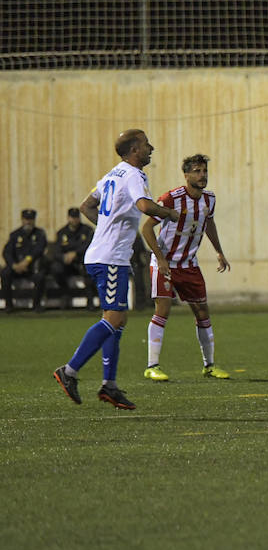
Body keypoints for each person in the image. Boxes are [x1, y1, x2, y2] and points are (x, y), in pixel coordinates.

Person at [53, 130, 184, 410]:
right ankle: (70, 371)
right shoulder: (134, 175)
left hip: (107, 255)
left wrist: (105, 228)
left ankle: (109, 386)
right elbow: (145, 205)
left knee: (117, 321)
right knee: (114, 318)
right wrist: (169, 213)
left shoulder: (112, 174)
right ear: (135, 149)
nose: (152, 148)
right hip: (110, 257)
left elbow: (87, 206)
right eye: (147, 144)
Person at [140, 154, 233, 381]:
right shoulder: (172, 198)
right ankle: (152, 365)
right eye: (198, 171)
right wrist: (160, 259)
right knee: (163, 309)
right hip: (166, 264)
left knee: (202, 312)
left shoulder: (209, 200)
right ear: (187, 175)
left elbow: (208, 223)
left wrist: (219, 251)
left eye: (205, 171)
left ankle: (209, 365)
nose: (202, 176)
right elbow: (146, 229)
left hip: (189, 264)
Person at [3, 208, 48, 312]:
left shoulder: (39, 234)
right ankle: (8, 305)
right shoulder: (15, 235)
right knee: (5, 273)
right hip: (17, 267)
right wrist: (14, 265)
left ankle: (36, 305)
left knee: (40, 276)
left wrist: (27, 261)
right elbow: (7, 252)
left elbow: (39, 249)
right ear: (22, 220)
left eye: (30, 219)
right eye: (26, 219)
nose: (28, 222)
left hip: (32, 267)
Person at [47, 207, 94, 305]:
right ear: (68, 218)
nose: (74, 220)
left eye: (76, 217)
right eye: (72, 217)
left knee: (89, 268)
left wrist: (75, 253)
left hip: (81, 261)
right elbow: (57, 251)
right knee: (56, 268)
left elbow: (89, 245)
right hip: (67, 263)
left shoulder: (87, 230)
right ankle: (65, 294)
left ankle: (90, 300)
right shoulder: (62, 232)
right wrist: (64, 257)